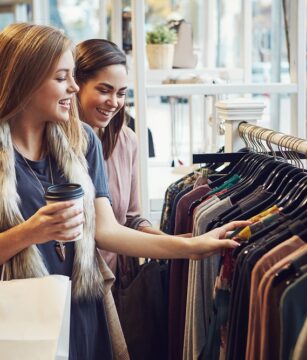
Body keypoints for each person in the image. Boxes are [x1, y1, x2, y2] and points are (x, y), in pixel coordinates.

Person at [0, 23, 248, 360]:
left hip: (83, 311)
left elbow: (108, 231)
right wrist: (31, 232)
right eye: (61, 78)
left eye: (73, 75)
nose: (73, 87)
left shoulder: (82, 142)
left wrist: (192, 246)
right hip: (20, 319)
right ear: (24, 80)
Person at [75, 38, 165, 274]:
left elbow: (131, 218)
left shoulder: (127, 141)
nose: (114, 102)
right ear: (77, 84)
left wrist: (168, 239)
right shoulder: (51, 142)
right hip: (65, 283)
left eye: (121, 93)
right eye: (104, 90)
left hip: (112, 280)